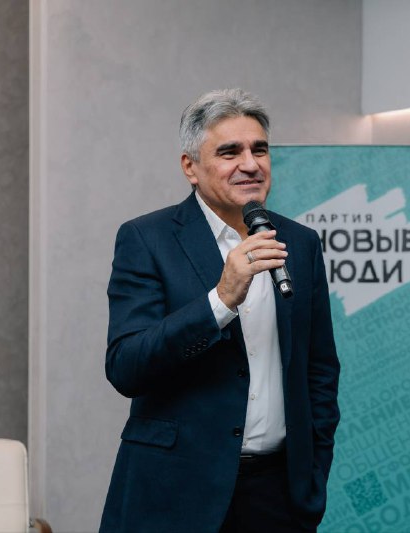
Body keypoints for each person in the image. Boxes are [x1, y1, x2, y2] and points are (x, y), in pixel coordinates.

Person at [99, 89, 341, 533]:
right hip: (174, 493)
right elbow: (126, 366)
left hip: (278, 495)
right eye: (230, 152)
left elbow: (319, 369)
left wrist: (313, 475)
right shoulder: (147, 239)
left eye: (259, 150)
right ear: (190, 167)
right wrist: (221, 300)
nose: (250, 164)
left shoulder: (300, 243)